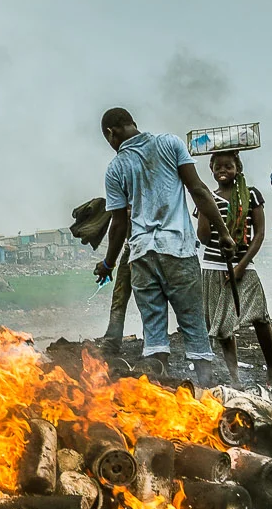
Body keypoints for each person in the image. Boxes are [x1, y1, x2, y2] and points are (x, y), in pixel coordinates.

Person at [94, 107, 236, 388]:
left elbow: (119, 226)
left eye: (107, 138)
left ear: (111, 133)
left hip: (142, 257)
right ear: (133, 123)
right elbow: (199, 191)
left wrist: (108, 264)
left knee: (155, 333)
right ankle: (206, 392)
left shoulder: (115, 169)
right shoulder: (170, 143)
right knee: (194, 326)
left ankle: (163, 392)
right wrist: (224, 233)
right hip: (178, 251)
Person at [196, 151, 272, 387]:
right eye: (218, 166)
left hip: (244, 266)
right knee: (223, 327)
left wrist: (241, 266)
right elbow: (203, 238)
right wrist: (203, 206)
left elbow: (259, 233)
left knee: (261, 317)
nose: (223, 171)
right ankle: (235, 378)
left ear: (238, 168)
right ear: (211, 169)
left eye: (228, 166)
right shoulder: (208, 198)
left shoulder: (250, 194)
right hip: (213, 267)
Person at [100, 241, 136, 354]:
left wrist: (108, 264)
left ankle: (152, 345)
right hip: (132, 249)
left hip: (144, 249)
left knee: (148, 300)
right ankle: (111, 342)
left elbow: (119, 227)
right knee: (119, 297)